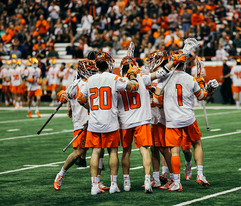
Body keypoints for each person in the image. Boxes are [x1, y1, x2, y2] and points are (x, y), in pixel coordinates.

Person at [153, 51, 219, 191]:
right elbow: (201, 96)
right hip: (188, 118)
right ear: (184, 64)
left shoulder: (164, 79)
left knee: (175, 151)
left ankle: (176, 182)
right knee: (197, 144)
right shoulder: (190, 78)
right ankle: (200, 175)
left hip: (172, 120)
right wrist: (204, 86)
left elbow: (155, 99)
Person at [76, 52, 140, 195]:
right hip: (110, 120)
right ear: (109, 64)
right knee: (112, 151)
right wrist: (132, 74)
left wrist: (91, 108)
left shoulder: (90, 80)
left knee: (95, 152)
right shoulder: (115, 78)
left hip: (94, 121)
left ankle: (94, 186)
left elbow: (80, 98)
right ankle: (113, 184)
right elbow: (134, 87)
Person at [117, 50, 177, 192]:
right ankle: (148, 181)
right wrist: (173, 61)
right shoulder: (142, 78)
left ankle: (126, 182)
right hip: (142, 120)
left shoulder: (117, 82)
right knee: (145, 151)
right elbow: (162, 73)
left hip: (125, 122)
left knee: (126, 152)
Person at [54, 60, 109, 192]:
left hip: (95, 121)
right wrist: (62, 96)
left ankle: (97, 181)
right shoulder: (76, 84)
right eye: (90, 68)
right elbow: (67, 96)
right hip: (81, 122)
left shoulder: (94, 81)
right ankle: (61, 174)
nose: (93, 70)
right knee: (79, 152)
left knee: (100, 150)